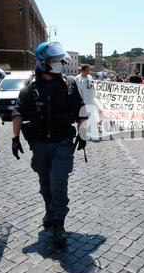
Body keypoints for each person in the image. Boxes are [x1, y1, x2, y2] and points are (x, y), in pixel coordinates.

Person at [11, 41, 88, 249]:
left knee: (58, 181)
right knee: (45, 184)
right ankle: (50, 211)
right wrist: (14, 138)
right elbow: (17, 112)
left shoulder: (69, 84)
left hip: (62, 141)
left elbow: (81, 111)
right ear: (44, 62)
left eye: (60, 60)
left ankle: (58, 223)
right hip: (39, 144)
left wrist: (83, 132)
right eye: (55, 60)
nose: (60, 63)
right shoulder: (30, 87)